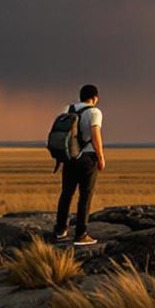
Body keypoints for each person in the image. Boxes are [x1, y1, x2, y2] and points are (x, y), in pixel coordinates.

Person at [53, 84, 105, 246]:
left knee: (66, 194)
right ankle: (81, 234)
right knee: (85, 196)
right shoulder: (94, 112)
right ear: (94, 97)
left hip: (69, 157)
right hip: (88, 158)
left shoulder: (68, 109)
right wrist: (101, 157)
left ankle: (60, 230)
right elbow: (95, 135)